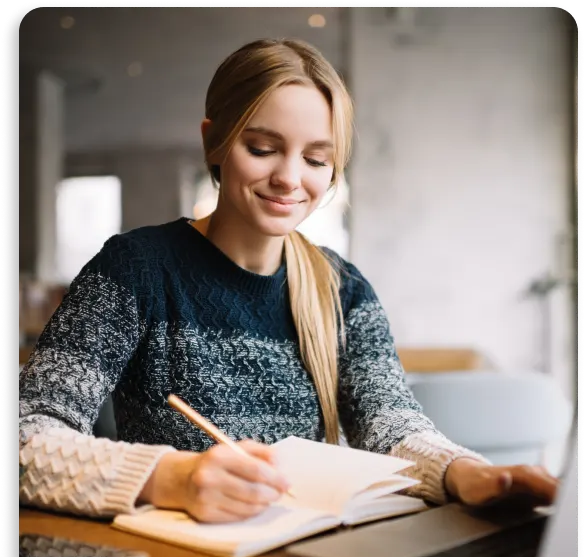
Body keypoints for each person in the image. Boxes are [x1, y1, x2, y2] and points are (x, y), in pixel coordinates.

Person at [19, 38, 558, 524]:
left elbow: (390, 423)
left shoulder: (343, 288)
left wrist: (464, 472)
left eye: (317, 159)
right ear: (214, 142)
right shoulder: (136, 269)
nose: (290, 179)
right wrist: (170, 477)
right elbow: (26, 438)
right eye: (261, 148)